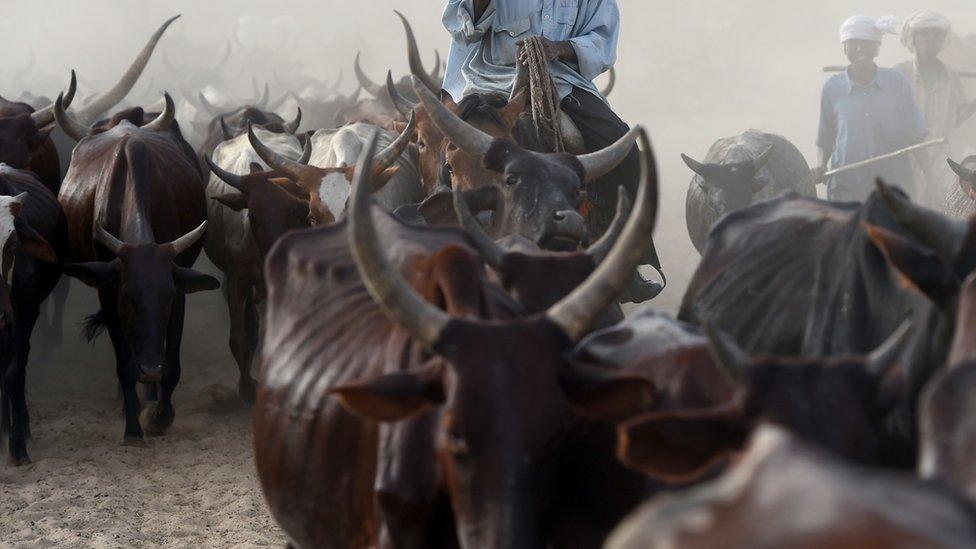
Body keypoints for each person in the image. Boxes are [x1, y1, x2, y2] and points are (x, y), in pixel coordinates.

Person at [442, 0, 662, 302]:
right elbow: (461, 24)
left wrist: (557, 48)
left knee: (622, 149)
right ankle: (435, 249)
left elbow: (601, 41)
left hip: (561, 82)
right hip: (490, 79)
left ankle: (623, 262)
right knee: (447, 153)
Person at [815, 15, 931, 202]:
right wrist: (820, 165)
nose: (860, 48)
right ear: (844, 47)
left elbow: (916, 134)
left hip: (893, 187)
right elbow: (825, 137)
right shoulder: (831, 88)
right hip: (846, 187)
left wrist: (931, 177)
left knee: (892, 232)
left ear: (877, 47)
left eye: (867, 43)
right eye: (853, 42)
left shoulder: (897, 83)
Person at [894, 11, 976, 208]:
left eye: (936, 35)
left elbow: (959, 118)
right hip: (904, 166)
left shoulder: (950, 77)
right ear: (912, 38)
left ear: (942, 41)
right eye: (925, 34)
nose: (931, 39)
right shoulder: (898, 75)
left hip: (942, 166)